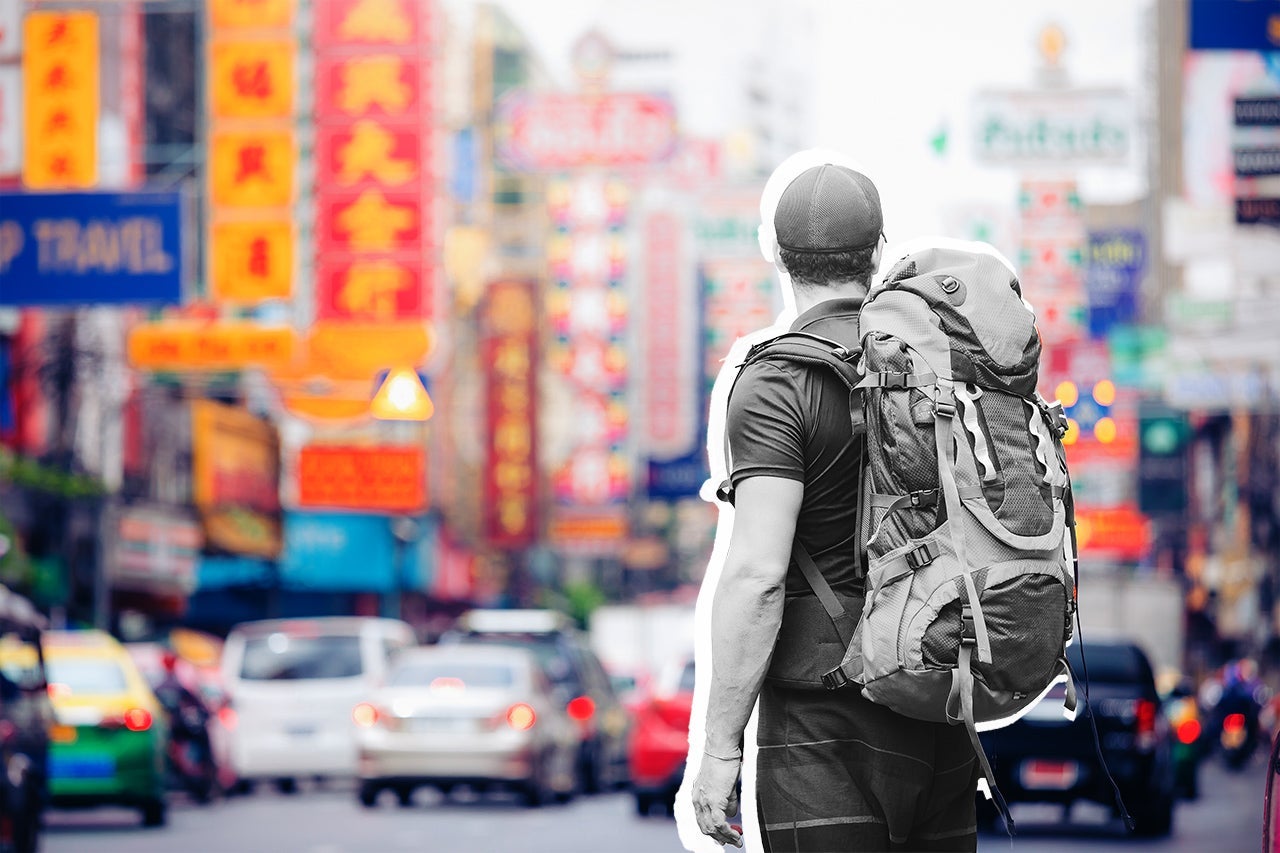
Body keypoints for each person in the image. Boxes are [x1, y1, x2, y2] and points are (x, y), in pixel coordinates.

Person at [688, 152, 980, 852]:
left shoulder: (777, 383)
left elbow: (758, 573)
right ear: (877, 255)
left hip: (824, 729)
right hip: (939, 709)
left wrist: (722, 746)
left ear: (781, 260)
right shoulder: (942, 367)